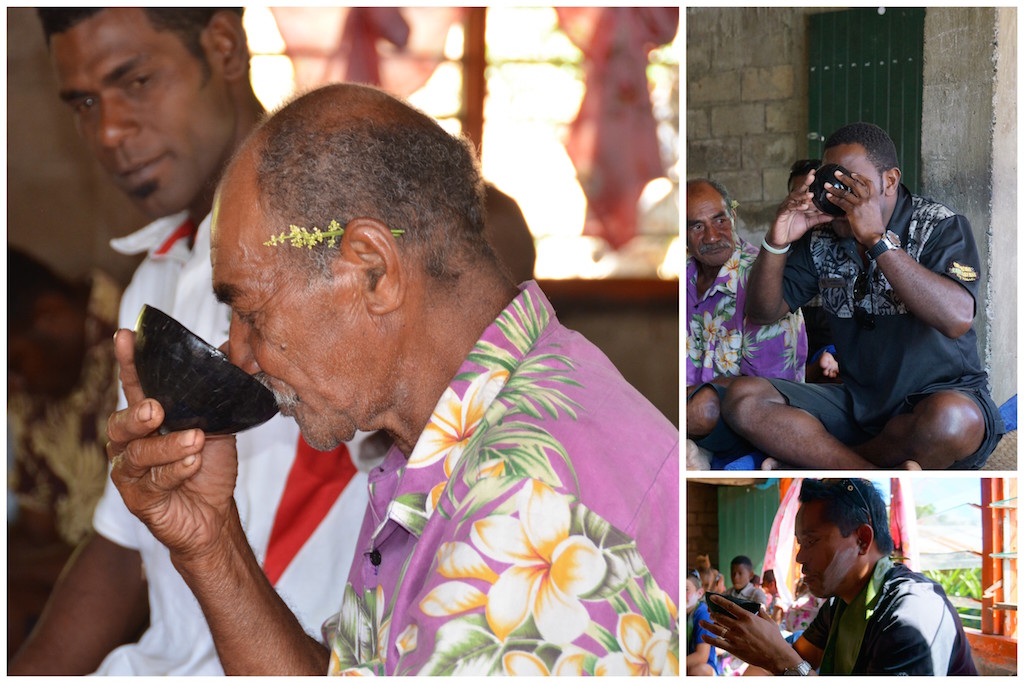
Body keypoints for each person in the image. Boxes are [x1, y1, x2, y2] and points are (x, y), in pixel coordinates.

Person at [103, 82, 680, 676]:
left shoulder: (524, 526)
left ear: (373, 271)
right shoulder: (463, 433)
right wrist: (213, 544)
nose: (241, 355)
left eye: (250, 312)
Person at [11, 9, 371, 674]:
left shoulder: (343, 247)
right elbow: (121, 544)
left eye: (138, 80)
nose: (110, 131)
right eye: (85, 102)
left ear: (224, 49)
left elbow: (480, 225)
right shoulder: (155, 279)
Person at [723, 122, 1005, 470]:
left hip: (934, 402)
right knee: (745, 399)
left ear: (890, 180)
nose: (840, 194)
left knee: (953, 421)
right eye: (832, 181)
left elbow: (957, 318)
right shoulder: (823, 239)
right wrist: (778, 239)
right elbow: (763, 311)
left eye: (852, 183)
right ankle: (869, 470)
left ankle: (818, 458)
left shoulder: (937, 225)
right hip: (859, 405)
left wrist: (877, 241)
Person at [700, 478, 977, 675]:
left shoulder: (909, 616)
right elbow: (791, 659)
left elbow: (788, 663)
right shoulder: (839, 608)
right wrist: (766, 649)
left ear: (862, 539)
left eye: (812, 542)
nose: (800, 558)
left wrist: (780, 659)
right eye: (800, 544)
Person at [7, 248, 121, 656]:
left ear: (50, 317)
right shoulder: (29, 399)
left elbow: (137, 558)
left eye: (15, 364)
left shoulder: (135, 334)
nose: (13, 386)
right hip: (64, 586)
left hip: (145, 585)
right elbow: (38, 530)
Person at [685, 178, 807, 467]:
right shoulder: (681, 276)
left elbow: (769, 388)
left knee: (704, 408)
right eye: (697, 226)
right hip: (691, 407)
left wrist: (692, 392)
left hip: (752, 414)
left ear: (734, 217)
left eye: (720, 220)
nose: (713, 237)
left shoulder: (761, 278)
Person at [788, 159, 840, 384]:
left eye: (813, 194)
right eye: (800, 196)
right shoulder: (785, 246)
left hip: (835, 338)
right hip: (798, 340)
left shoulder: (840, 239)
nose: (808, 203)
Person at [686, 570, 719, 675]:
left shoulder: (702, 612)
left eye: (686, 590)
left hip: (705, 669)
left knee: (697, 670)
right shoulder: (677, 612)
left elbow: (702, 657)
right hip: (685, 666)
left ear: (699, 593)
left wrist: (672, 664)